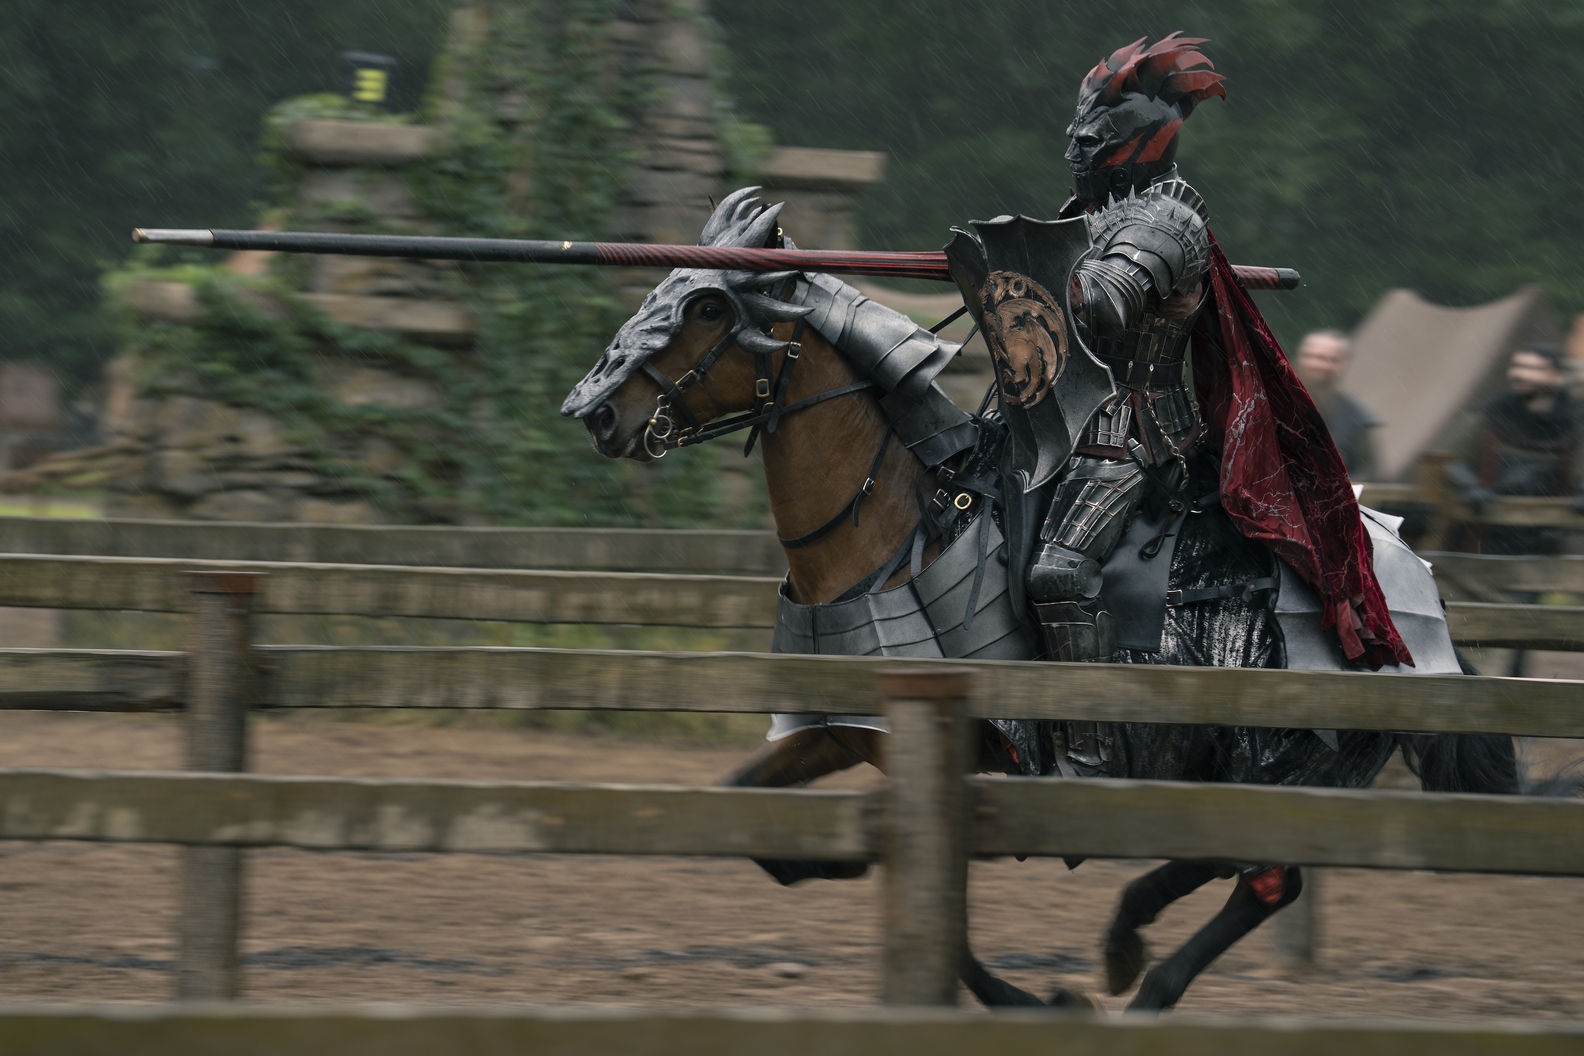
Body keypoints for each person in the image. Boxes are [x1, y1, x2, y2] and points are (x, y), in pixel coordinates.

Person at [976, 33, 1409, 669]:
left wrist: (1010, 273)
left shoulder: (1168, 219)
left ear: (1134, 143)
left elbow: (1103, 303)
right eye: (1076, 137)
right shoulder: (1087, 212)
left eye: (1089, 141)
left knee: (1059, 575)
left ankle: (1084, 716)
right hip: (1056, 412)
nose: (1075, 152)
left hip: (1134, 429)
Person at [1446, 342, 1582, 556]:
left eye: (1532, 368)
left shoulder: (1575, 425)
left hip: (1545, 536)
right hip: (1484, 530)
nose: (1518, 374)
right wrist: (1469, 487)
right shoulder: (1490, 415)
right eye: (1517, 366)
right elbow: (1451, 462)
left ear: (1558, 377)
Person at [1294, 329, 1380, 480]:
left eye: (1333, 360)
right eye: (1315, 357)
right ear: (1300, 359)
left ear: (1344, 365)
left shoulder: (1355, 416)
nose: (1322, 366)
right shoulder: (1265, 401)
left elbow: (1369, 472)